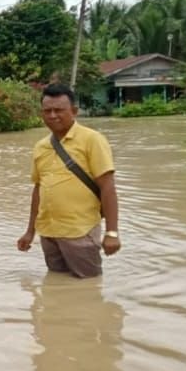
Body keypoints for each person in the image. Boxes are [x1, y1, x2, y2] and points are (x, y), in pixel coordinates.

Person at [17, 83, 121, 278]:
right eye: (47, 111)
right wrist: (30, 232)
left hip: (80, 232)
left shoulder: (92, 140)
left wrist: (112, 233)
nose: (53, 115)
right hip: (48, 233)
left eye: (59, 110)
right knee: (57, 286)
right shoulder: (41, 146)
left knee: (89, 288)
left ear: (74, 111)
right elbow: (39, 190)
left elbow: (108, 187)